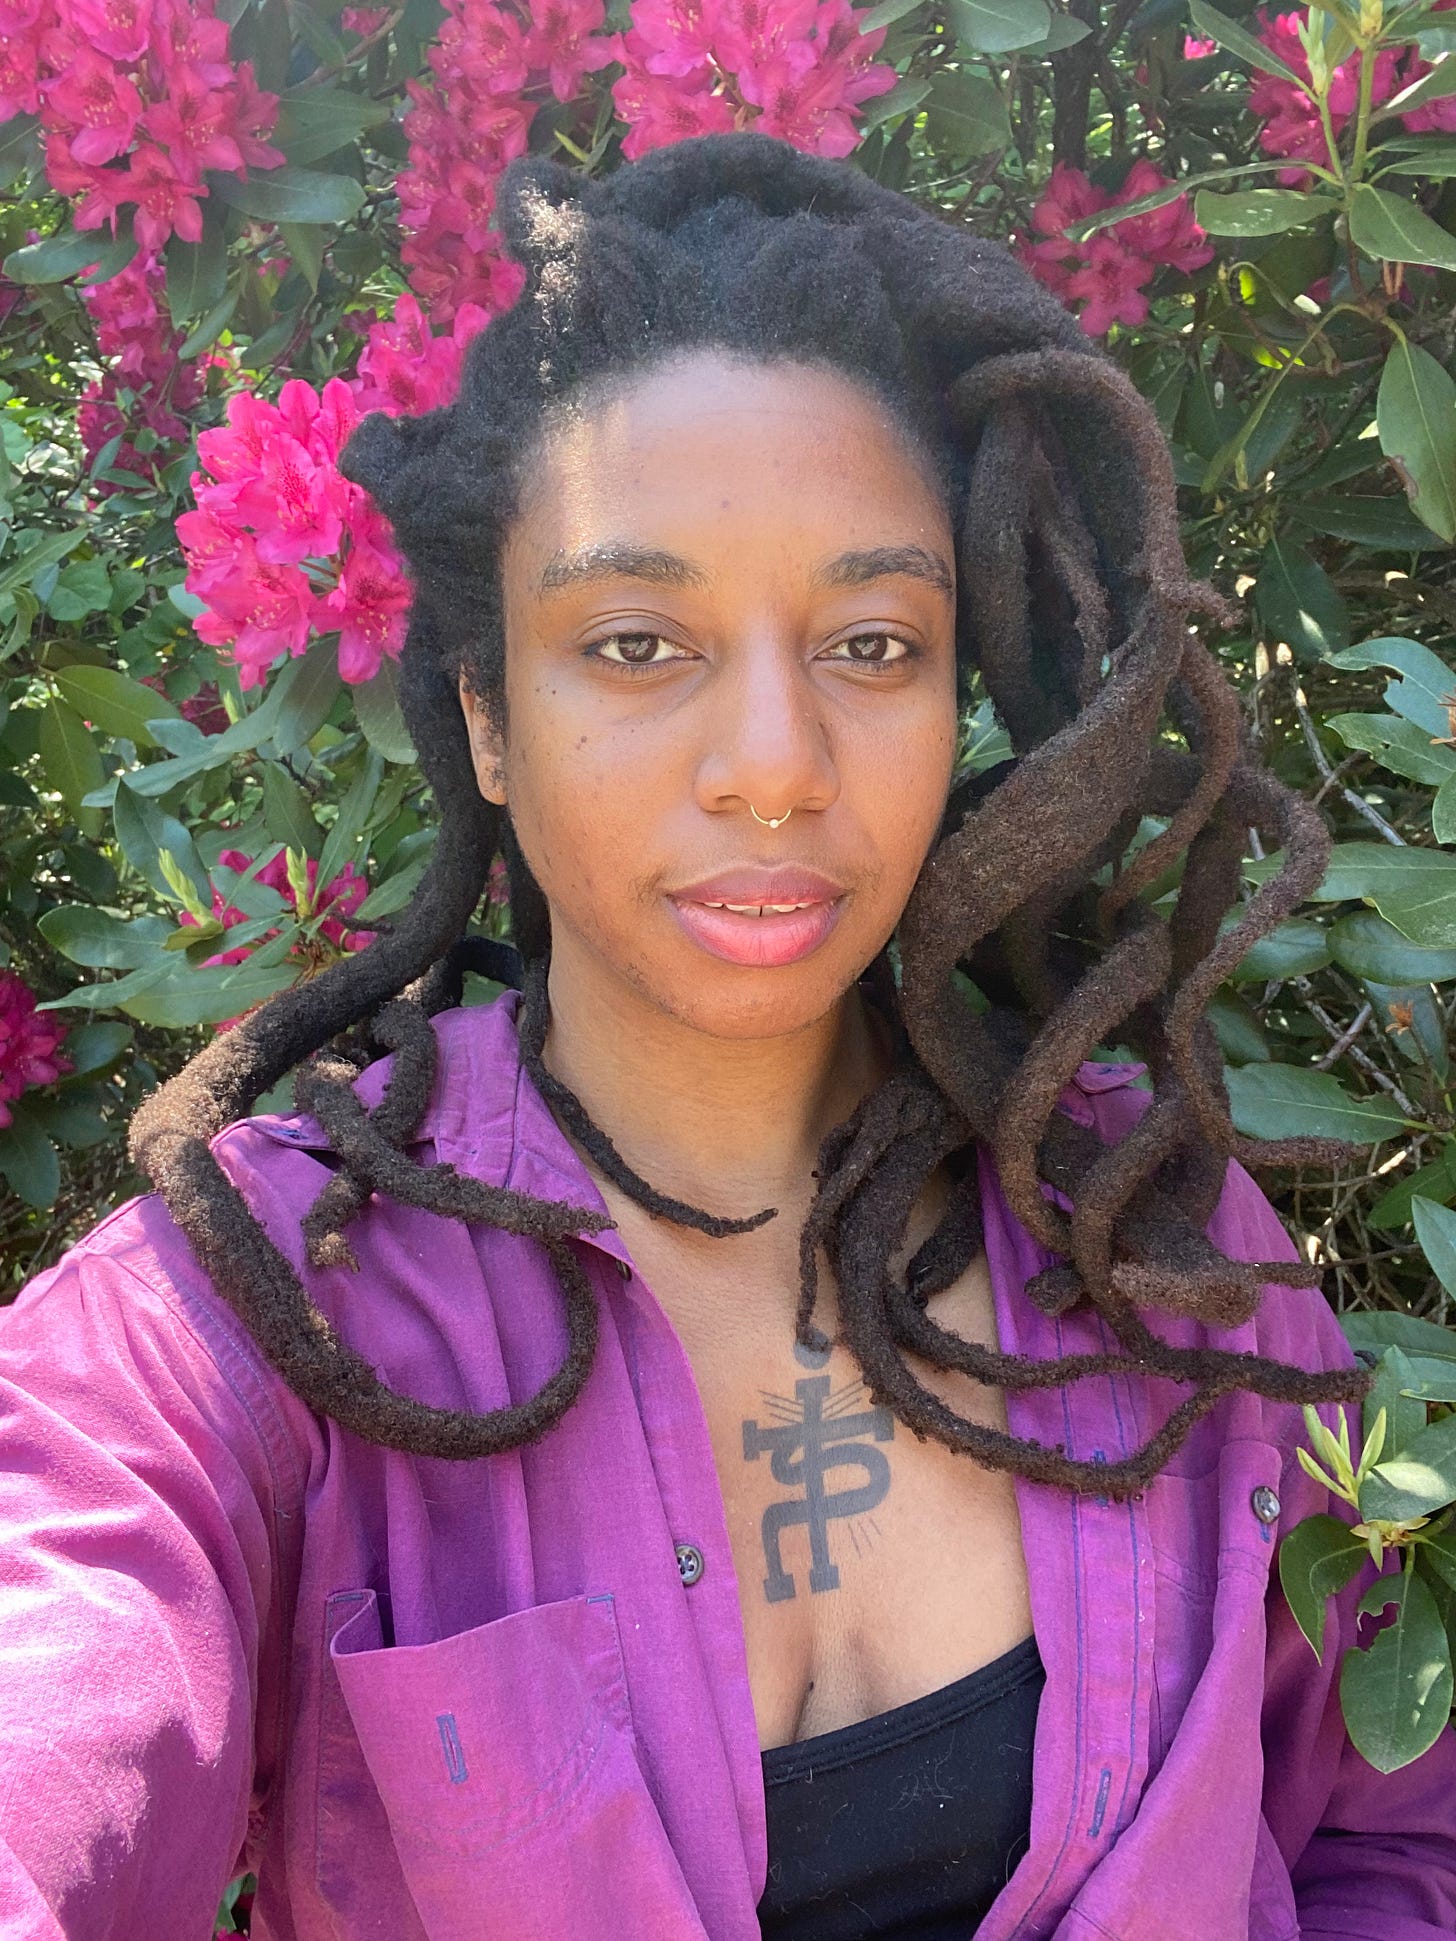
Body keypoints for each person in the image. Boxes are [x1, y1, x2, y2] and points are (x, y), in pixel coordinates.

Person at [2, 129, 1453, 1941]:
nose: (774, 763)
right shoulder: (253, 1321)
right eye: (636, 641)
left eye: (872, 643)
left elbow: (1399, 1834)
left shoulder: (1149, 1227)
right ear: (488, 718)